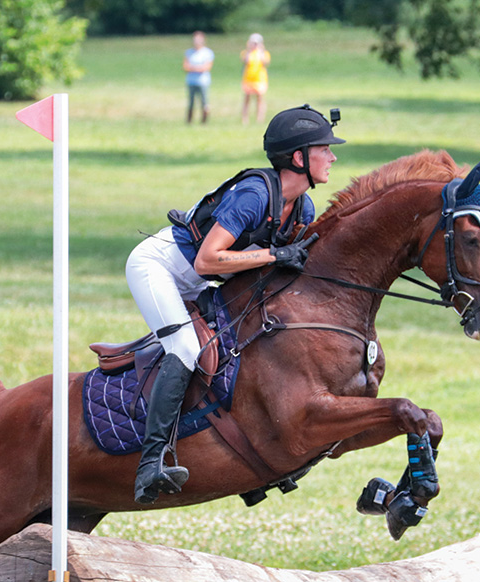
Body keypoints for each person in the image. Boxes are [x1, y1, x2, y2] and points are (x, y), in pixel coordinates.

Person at [125, 104, 345, 504]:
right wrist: (275, 257)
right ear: (298, 158)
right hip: (159, 268)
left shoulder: (303, 209)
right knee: (187, 348)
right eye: (323, 149)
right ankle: (150, 463)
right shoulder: (254, 194)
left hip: (200, 284)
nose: (332, 156)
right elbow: (206, 259)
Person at [184, 31, 215, 124]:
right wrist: (198, 68)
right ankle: (189, 121)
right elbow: (185, 66)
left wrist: (193, 68)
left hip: (203, 81)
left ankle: (204, 121)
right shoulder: (189, 52)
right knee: (191, 103)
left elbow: (207, 67)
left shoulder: (207, 53)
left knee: (204, 102)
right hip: (191, 81)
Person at [240, 33, 270, 125]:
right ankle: (245, 119)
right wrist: (249, 50)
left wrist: (261, 50)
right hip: (248, 79)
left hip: (260, 79)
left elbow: (265, 62)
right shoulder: (246, 53)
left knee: (260, 99)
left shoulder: (264, 53)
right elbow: (245, 61)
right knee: (247, 99)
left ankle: (259, 118)